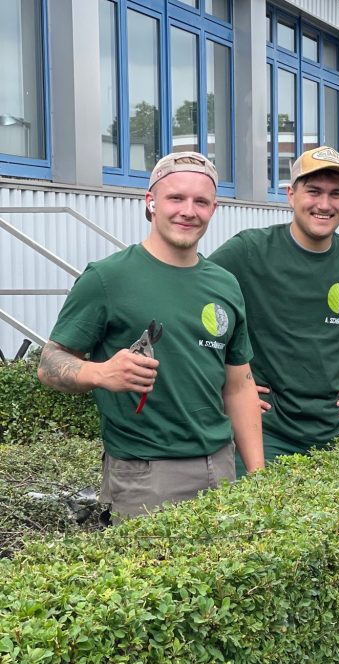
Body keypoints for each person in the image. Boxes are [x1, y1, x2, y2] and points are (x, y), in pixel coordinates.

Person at [38, 151, 264, 522]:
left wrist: (257, 476)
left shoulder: (225, 284)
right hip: (145, 477)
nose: (188, 211)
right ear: (151, 202)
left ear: (213, 209)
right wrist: (100, 373)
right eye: (176, 198)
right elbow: (49, 363)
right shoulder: (107, 278)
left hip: (222, 466)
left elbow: (239, 386)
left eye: (201, 201)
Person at [209, 146, 339, 465]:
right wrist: (228, 387)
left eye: (336, 194)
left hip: (335, 435)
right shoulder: (250, 251)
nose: (324, 204)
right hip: (265, 434)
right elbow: (191, 303)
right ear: (291, 195)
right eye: (314, 191)